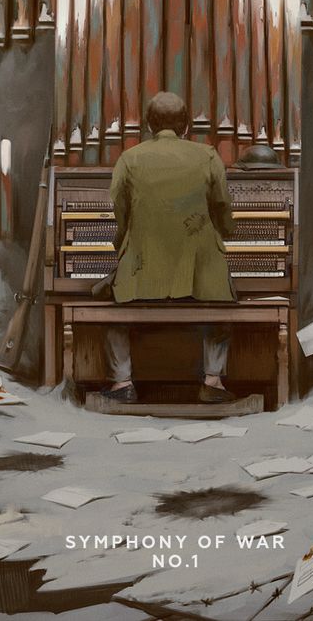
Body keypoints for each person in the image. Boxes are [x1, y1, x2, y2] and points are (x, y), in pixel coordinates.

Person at [102, 91, 237, 405]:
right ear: (186, 126)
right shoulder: (208, 156)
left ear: (149, 125)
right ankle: (213, 381)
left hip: (142, 272)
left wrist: (122, 241)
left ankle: (123, 383)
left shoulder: (129, 159)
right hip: (199, 274)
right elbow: (222, 209)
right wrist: (223, 232)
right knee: (223, 307)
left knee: (111, 312)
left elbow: (119, 212)